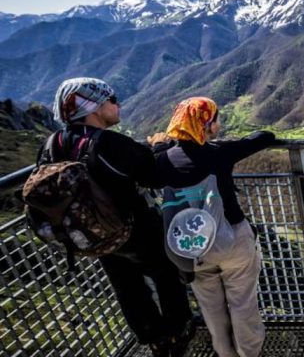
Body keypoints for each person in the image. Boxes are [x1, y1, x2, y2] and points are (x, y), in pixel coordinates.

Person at [45, 78, 193, 356]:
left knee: (127, 286)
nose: (118, 104)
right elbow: (153, 175)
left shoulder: (56, 142)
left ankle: (154, 339)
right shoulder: (110, 143)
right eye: (111, 100)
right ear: (93, 106)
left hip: (92, 233)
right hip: (132, 228)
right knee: (166, 272)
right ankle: (177, 331)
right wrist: (160, 147)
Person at [152, 97, 274, 357]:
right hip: (232, 240)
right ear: (206, 125)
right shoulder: (219, 153)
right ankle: (249, 353)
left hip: (191, 247)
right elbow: (265, 136)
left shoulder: (162, 160)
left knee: (211, 307)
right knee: (242, 302)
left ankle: (224, 353)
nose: (218, 125)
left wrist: (160, 145)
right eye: (215, 120)